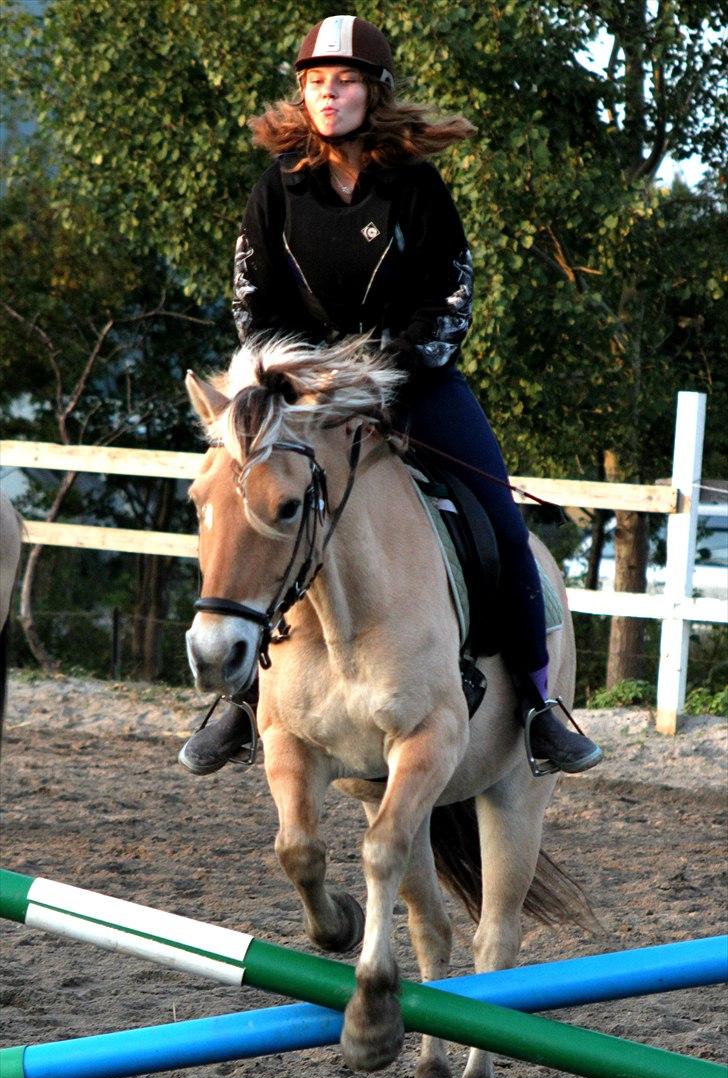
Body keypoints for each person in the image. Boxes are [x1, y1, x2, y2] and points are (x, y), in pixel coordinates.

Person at [179, 14, 602, 777]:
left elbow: (450, 302)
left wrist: (382, 379)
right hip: (301, 398)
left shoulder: (416, 187)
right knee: (248, 513)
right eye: (315, 81)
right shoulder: (277, 188)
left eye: (343, 81)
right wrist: (300, 380)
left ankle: (539, 708)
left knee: (502, 525)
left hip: (413, 384)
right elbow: (253, 306)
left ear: (374, 92)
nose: (327, 94)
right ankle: (241, 703)